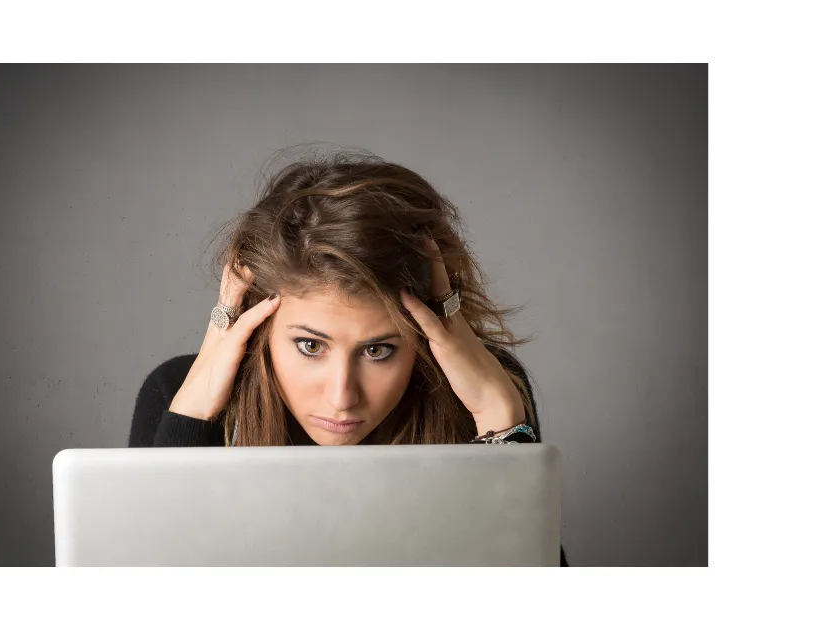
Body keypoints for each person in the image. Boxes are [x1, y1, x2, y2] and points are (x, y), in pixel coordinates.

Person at [129, 151, 567, 565]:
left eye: (379, 350)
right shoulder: (178, 391)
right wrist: (191, 416)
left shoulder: (485, 390)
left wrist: (498, 416)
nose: (342, 397)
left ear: (424, 334)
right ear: (259, 325)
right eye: (310, 346)